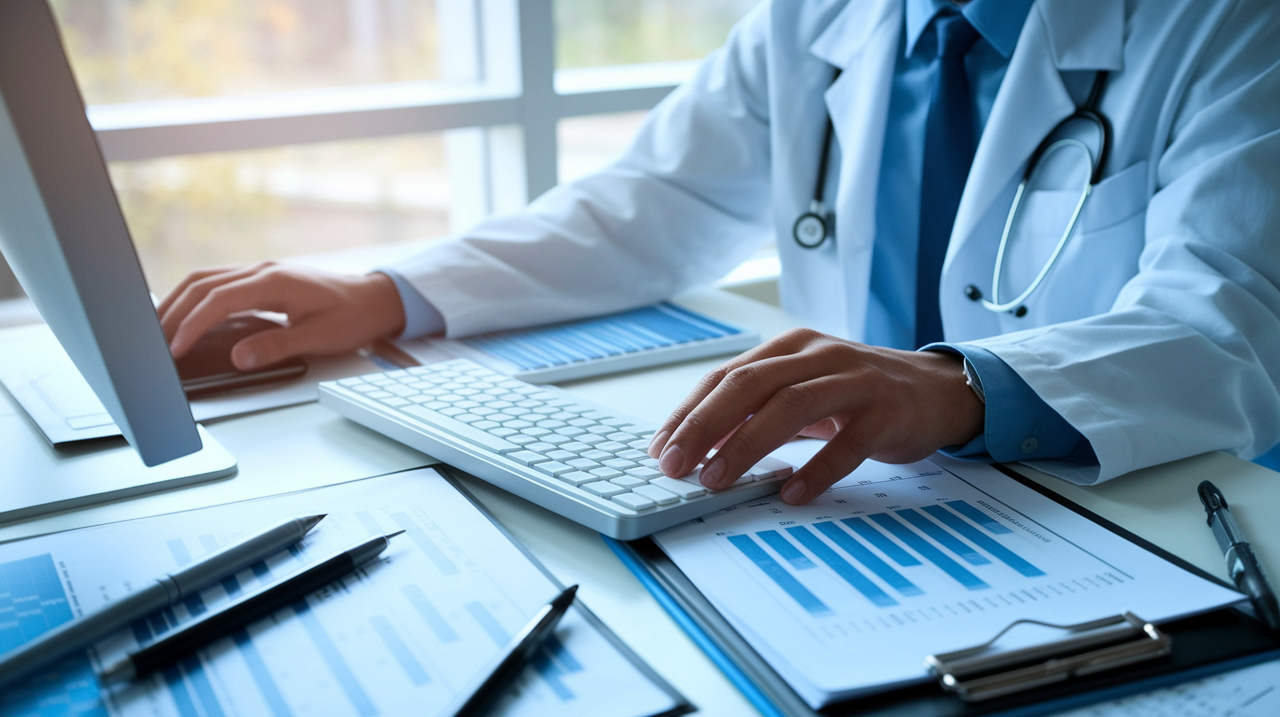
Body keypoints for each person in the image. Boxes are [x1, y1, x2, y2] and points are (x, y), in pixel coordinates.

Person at [158, 0, 1280, 504]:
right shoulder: (817, 19)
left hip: (1150, 497)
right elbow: (656, 199)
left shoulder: (1230, 23)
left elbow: (1225, 324)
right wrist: (389, 292)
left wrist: (957, 383)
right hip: (869, 489)